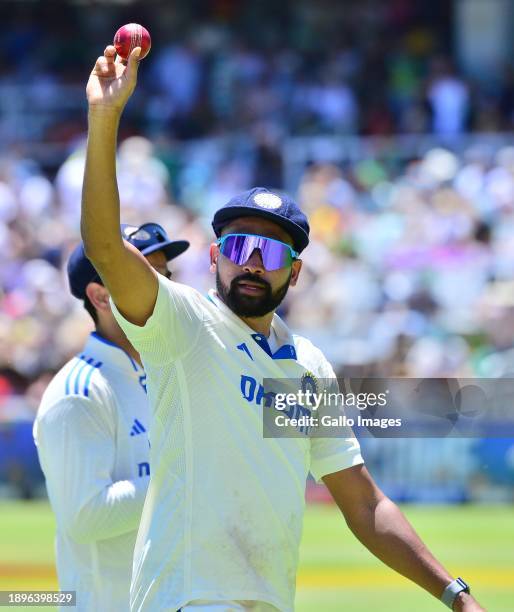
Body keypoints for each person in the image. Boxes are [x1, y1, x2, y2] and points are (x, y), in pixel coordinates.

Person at [80, 45, 484, 612]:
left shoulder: (305, 367)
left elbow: (364, 504)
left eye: (269, 252)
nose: (251, 263)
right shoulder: (185, 324)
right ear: (216, 255)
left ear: (294, 271)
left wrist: (455, 594)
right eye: (239, 247)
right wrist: (105, 118)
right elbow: (103, 245)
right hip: (187, 600)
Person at [33, 222, 189, 612]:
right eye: (144, 277)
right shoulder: (78, 391)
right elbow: (85, 516)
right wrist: (186, 478)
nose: (163, 291)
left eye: (164, 276)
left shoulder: (168, 372)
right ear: (99, 296)